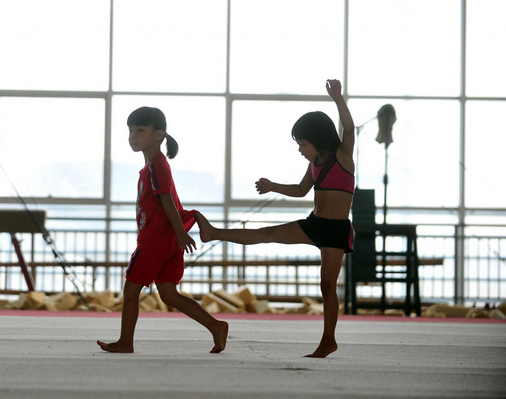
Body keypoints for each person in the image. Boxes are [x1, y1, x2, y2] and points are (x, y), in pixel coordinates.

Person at [195, 79, 355, 358]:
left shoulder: (343, 156)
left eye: (303, 144)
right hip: (314, 224)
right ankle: (214, 232)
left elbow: (349, 128)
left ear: (318, 140)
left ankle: (328, 339)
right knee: (265, 233)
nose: (300, 149)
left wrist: (337, 98)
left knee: (327, 285)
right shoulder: (313, 164)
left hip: (335, 231)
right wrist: (273, 186)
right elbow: (301, 190)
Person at [97, 106, 228, 354]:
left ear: (159, 134)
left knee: (131, 289)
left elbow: (167, 199)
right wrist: (177, 234)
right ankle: (216, 326)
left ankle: (126, 342)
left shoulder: (157, 165)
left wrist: (181, 232)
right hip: (166, 239)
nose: (133, 136)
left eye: (140, 130)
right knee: (168, 294)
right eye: (130, 131)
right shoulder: (152, 166)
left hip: (157, 239)